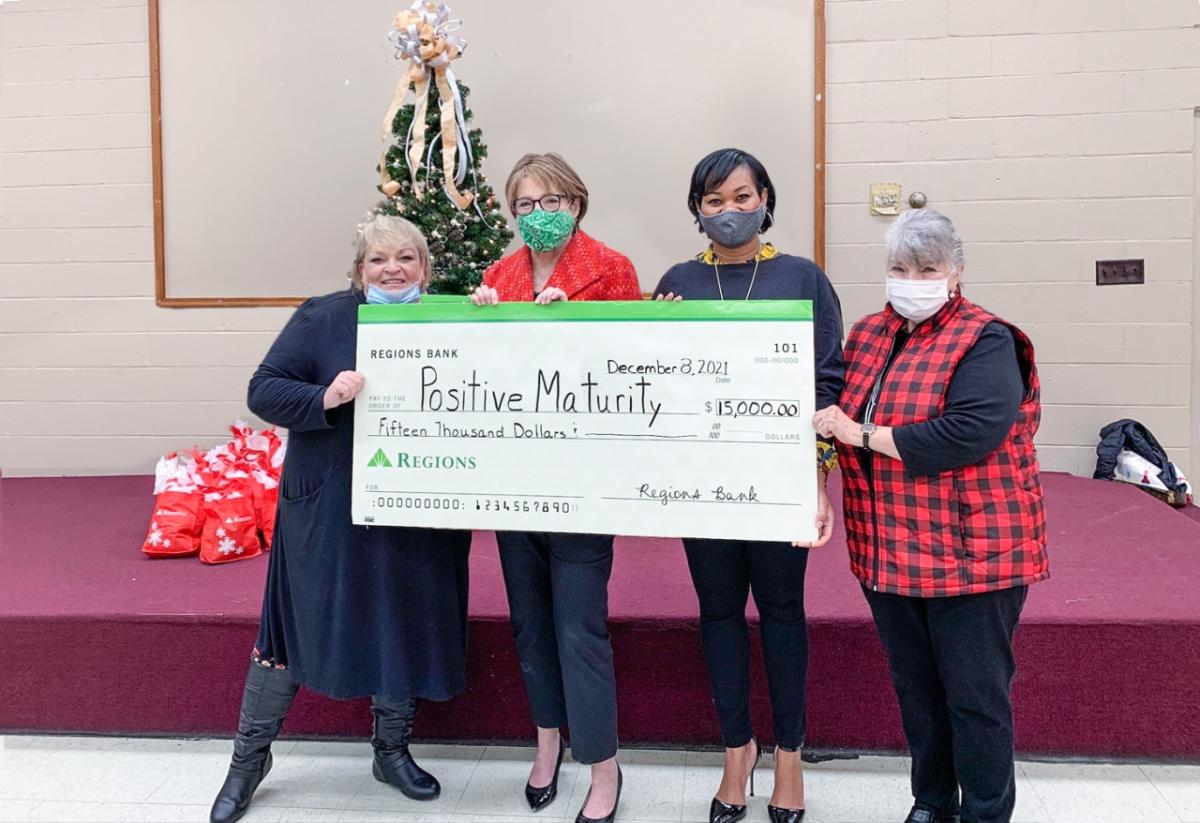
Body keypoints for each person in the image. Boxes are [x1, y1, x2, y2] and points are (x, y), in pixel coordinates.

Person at [209, 215, 472, 823]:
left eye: (406, 258)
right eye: (379, 261)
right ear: (359, 270)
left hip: (417, 505)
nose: (393, 270)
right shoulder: (321, 317)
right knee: (290, 630)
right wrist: (323, 398)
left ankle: (391, 752)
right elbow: (263, 390)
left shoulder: (450, 319)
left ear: (425, 268)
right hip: (329, 504)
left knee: (400, 618)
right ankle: (248, 763)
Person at [813, 208, 1049, 823]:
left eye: (927, 268)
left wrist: (862, 435)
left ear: (956, 271)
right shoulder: (865, 335)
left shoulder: (987, 338)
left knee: (975, 700)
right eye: (899, 267)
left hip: (975, 556)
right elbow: (825, 407)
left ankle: (986, 814)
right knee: (917, 693)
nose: (911, 278)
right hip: (887, 550)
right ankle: (933, 801)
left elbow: (969, 432)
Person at [653, 147, 846, 823]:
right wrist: (660, 331)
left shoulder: (802, 278)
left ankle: (789, 753)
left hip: (777, 477)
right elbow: (655, 381)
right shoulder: (676, 281)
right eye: (713, 201)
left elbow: (829, 381)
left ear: (765, 197)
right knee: (718, 611)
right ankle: (738, 747)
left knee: (782, 610)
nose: (728, 211)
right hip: (702, 482)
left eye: (741, 196)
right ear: (696, 210)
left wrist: (817, 476)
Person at [470, 152, 641, 823]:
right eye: (525, 204)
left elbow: (635, 366)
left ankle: (603, 764)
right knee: (529, 620)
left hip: (582, 477)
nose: (538, 215)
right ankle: (547, 741)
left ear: (577, 201)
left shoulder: (612, 268)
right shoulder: (500, 274)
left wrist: (578, 324)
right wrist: (477, 321)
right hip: (515, 476)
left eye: (551, 201)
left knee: (578, 624)